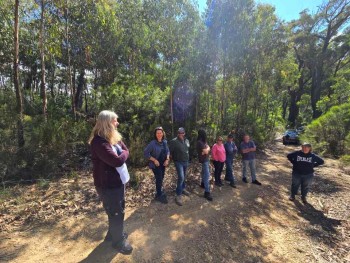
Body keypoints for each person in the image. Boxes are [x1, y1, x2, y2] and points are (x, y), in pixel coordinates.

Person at [88, 110, 133, 254]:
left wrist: (123, 153)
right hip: (107, 185)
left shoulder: (111, 138)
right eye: (115, 121)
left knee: (116, 209)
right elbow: (117, 160)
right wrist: (124, 154)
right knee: (116, 212)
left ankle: (112, 235)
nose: (117, 123)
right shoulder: (99, 142)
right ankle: (118, 242)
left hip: (117, 182)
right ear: (107, 122)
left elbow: (125, 150)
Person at [144, 127, 170, 204]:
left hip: (163, 164)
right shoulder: (152, 143)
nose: (159, 134)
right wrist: (154, 160)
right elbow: (145, 153)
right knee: (159, 178)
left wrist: (167, 159)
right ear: (155, 134)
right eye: (157, 133)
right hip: (155, 164)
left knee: (161, 177)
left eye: (160, 133)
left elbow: (168, 151)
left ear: (163, 133)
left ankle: (159, 192)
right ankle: (159, 195)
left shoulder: (165, 142)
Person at [168, 127, 190, 206]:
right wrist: (168, 159)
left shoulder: (186, 140)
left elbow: (187, 150)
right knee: (181, 177)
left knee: (184, 176)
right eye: (179, 133)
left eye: (182, 133)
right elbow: (169, 152)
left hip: (185, 161)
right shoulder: (174, 141)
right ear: (177, 133)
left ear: (184, 133)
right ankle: (178, 195)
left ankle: (183, 189)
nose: (181, 134)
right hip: (178, 162)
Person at [196, 129, 213, 201]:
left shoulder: (204, 142)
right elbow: (206, 150)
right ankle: (207, 192)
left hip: (206, 159)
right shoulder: (199, 142)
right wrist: (206, 150)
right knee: (207, 175)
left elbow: (208, 148)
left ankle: (203, 184)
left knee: (204, 173)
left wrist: (206, 150)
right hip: (204, 160)